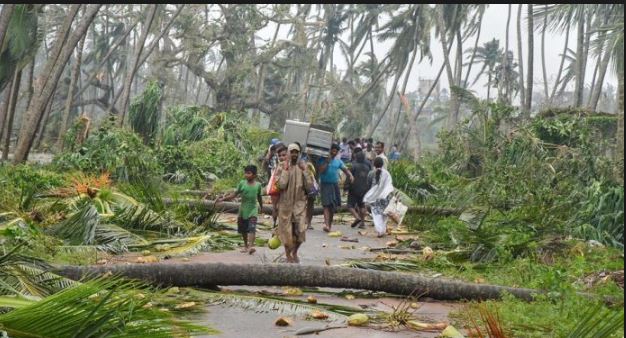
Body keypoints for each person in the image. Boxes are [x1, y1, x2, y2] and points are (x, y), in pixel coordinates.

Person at [275, 143, 315, 263]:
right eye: (291, 152)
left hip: (300, 205)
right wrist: (286, 170)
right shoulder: (281, 166)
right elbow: (280, 185)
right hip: (285, 205)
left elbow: (310, 187)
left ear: (299, 153)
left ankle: (295, 252)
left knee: (300, 231)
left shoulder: (305, 166)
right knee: (286, 232)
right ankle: (288, 255)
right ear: (288, 153)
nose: (294, 154)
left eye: (296, 152)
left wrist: (305, 171)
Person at [217, 165, 264, 254]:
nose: (246, 175)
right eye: (245, 173)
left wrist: (261, 207)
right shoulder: (242, 183)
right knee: (243, 229)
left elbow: (259, 197)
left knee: (252, 228)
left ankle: (251, 247)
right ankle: (246, 245)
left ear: (254, 175)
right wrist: (223, 199)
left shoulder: (258, 185)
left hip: (253, 209)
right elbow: (234, 194)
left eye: (249, 173)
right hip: (243, 209)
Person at [318, 143, 354, 232]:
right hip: (325, 184)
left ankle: (329, 225)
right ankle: (326, 225)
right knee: (326, 205)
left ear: (337, 152)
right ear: (329, 151)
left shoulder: (338, 161)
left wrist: (350, 175)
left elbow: (345, 169)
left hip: (335, 185)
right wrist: (327, 161)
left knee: (333, 207)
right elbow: (321, 171)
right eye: (332, 151)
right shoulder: (322, 159)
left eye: (336, 151)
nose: (334, 153)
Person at [363, 157, 395, 237]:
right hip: (385, 197)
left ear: (374, 164)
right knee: (384, 214)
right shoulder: (387, 173)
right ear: (382, 164)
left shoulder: (371, 173)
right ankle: (382, 230)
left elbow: (368, 185)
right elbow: (390, 185)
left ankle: (380, 231)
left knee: (376, 214)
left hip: (375, 197)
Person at [346, 151, 371, 228]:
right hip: (364, 190)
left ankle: (357, 217)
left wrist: (346, 186)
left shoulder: (353, 166)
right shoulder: (367, 168)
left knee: (350, 205)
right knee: (362, 206)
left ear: (356, 158)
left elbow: (349, 177)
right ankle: (362, 223)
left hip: (354, 189)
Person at [269, 144, 288, 228]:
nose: (281, 157)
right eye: (280, 155)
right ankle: (275, 223)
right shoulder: (279, 166)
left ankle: (281, 225)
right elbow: (277, 179)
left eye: (284, 155)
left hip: (285, 190)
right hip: (277, 189)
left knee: (282, 207)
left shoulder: (290, 165)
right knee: (275, 207)